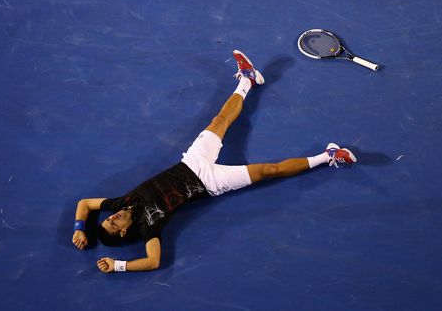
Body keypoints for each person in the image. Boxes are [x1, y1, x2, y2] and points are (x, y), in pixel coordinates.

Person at [72, 50, 357, 273]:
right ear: (123, 232)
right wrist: (120, 265)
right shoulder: (149, 227)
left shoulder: (118, 203)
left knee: (220, 119)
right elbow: (153, 261)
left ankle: (248, 78)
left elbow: (85, 203)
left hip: (191, 162)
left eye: (107, 219)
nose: (110, 217)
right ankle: (328, 156)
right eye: (112, 224)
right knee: (270, 170)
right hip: (209, 182)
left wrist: (79, 230)